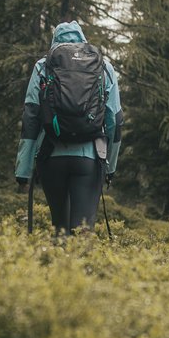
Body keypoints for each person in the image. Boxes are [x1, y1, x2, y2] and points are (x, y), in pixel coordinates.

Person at [15, 21, 123, 234]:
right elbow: (115, 120)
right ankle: (82, 266)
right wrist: (110, 167)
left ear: (55, 42)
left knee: (61, 231)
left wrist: (23, 171)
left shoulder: (43, 66)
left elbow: (31, 118)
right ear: (83, 40)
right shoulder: (104, 67)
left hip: (51, 156)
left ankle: (57, 263)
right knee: (82, 232)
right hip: (90, 158)